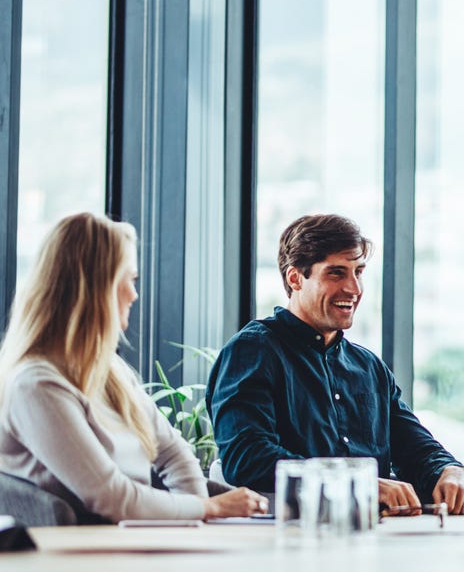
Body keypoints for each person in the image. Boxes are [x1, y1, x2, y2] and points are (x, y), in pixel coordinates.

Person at [0, 213, 267, 522]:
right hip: (78, 557)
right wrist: (209, 507)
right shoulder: (36, 386)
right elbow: (111, 497)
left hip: (129, 541)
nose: (135, 294)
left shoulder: (109, 369)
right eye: (130, 279)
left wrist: (195, 519)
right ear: (97, 288)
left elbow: (173, 452)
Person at [207, 214, 464, 515]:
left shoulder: (369, 367)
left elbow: (415, 447)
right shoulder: (253, 351)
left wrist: (449, 470)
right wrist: (357, 483)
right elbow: (247, 459)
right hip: (287, 540)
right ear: (295, 278)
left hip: (375, 537)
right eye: (336, 273)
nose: (354, 288)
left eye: (358, 272)